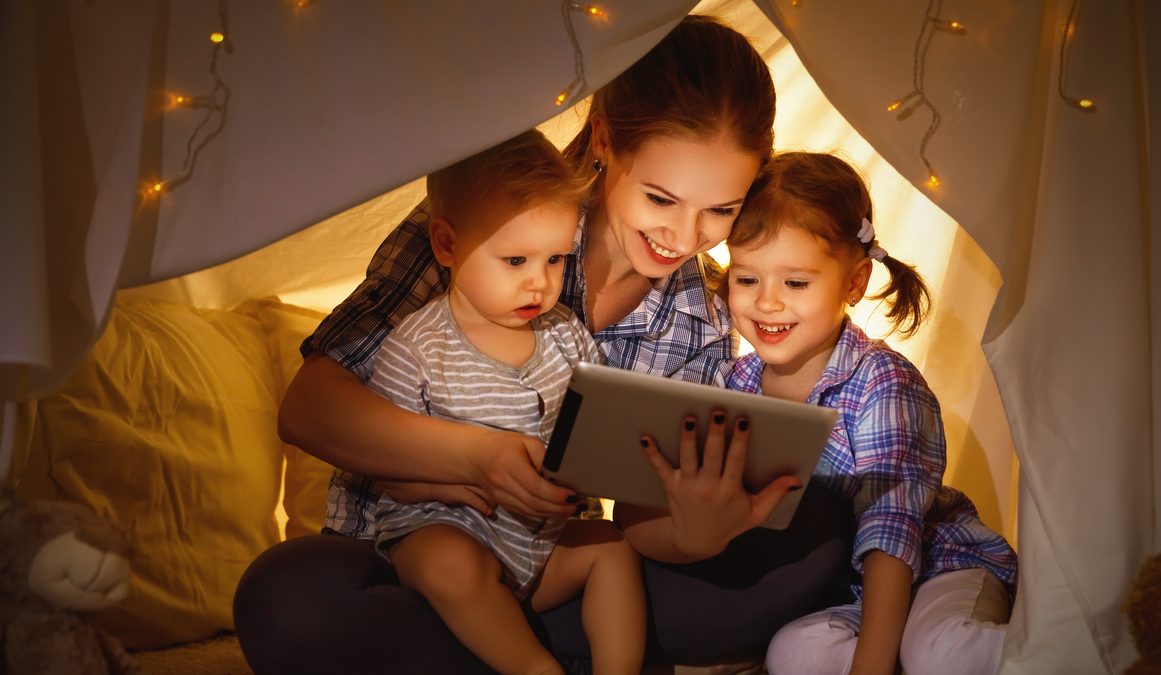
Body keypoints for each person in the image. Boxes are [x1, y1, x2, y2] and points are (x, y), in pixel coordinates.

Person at [234, 16, 853, 673]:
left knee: (817, 529)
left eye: (719, 210)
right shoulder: (490, 215)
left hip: (555, 565)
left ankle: (502, 652)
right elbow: (309, 408)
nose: (683, 235)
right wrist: (476, 457)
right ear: (606, 139)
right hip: (408, 563)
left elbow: (640, 514)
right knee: (287, 598)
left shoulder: (698, 316)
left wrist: (691, 534)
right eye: (661, 198)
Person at [713, 151, 1018, 675]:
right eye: (746, 279)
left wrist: (871, 665)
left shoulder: (882, 381)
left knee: (937, 652)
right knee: (793, 651)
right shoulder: (734, 386)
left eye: (796, 283)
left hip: (940, 569)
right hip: (849, 591)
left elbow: (890, 529)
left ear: (853, 284)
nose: (766, 304)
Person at [369, 129, 644, 675]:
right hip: (446, 530)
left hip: (540, 546)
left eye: (556, 260)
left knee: (612, 549)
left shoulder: (566, 336)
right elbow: (389, 473)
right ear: (447, 246)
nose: (539, 284)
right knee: (448, 561)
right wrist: (463, 483)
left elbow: (594, 439)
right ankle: (536, 668)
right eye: (516, 260)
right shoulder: (417, 347)